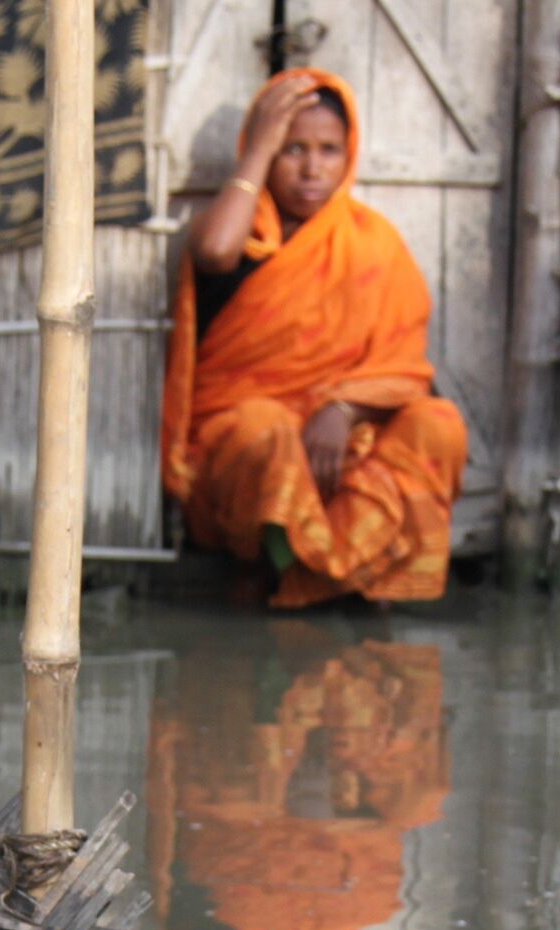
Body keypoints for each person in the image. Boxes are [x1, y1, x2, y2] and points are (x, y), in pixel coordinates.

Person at [160, 69, 471, 608]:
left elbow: (404, 371)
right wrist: (257, 149)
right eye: (292, 149)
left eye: (328, 150)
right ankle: (284, 566)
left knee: (437, 425)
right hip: (247, 444)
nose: (311, 169)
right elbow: (212, 252)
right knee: (267, 430)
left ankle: (347, 565)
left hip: (340, 438)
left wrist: (344, 410)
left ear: (348, 155)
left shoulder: (373, 244)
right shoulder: (246, 234)